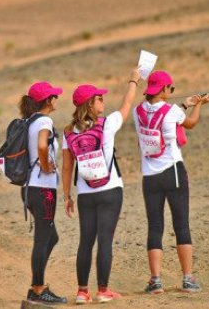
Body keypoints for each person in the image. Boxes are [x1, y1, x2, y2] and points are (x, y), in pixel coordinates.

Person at [62, 69, 141, 304]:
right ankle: (103, 290)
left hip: (85, 193)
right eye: (99, 98)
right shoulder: (107, 124)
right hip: (110, 190)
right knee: (105, 239)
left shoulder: (68, 131)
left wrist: (67, 196)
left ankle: (82, 291)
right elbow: (127, 103)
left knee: (86, 240)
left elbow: (67, 168)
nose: (103, 101)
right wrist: (134, 80)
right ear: (90, 103)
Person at [134, 70, 209, 295]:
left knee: (155, 226)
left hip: (149, 176)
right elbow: (189, 124)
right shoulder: (172, 112)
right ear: (163, 90)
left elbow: (158, 112)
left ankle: (155, 280)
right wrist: (198, 105)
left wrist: (183, 103)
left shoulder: (137, 111)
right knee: (181, 224)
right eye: (171, 88)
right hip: (173, 172)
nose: (172, 91)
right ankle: (188, 279)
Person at [20, 81, 67, 305]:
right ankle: (38, 290)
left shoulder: (31, 121)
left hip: (31, 189)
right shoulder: (45, 120)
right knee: (42, 238)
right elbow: (41, 146)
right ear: (48, 100)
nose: (57, 99)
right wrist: (47, 167)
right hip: (43, 189)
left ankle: (37, 286)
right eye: (54, 96)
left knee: (51, 236)